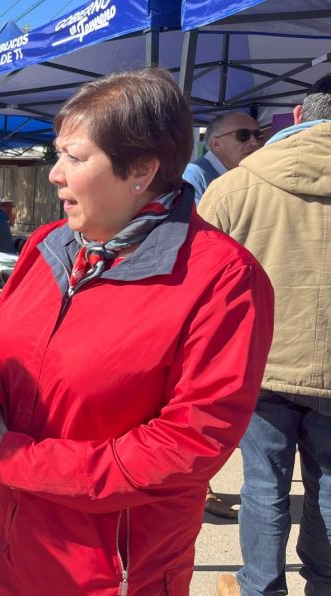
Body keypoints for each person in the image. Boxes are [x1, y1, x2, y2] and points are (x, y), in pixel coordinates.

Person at [0, 68, 274, 594]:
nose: (55, 175)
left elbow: (186, 445)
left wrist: (26, 462)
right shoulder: (48, 245)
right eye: (57, 154)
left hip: (111, 571)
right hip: (11, 541)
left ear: (142, 170)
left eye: (75, 158)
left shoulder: (222, 281)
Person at [200, 75, 331, 596]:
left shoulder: (233, 187)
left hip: (261, 362)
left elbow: (198, 283)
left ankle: (261, 587)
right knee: (327, 488)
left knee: (264, 485)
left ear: (297, 115)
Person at [184, 111, 263, 204]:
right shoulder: (193, 176)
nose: (254, 142)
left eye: (257, 135)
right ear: (216, 144)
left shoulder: (253, 174)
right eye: (243, 135)